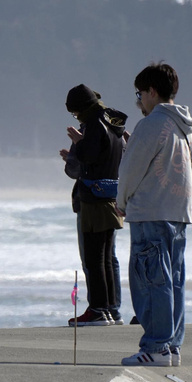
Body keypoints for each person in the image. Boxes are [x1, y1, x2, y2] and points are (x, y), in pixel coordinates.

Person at [116, 63, 192, 367]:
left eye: (140, 94)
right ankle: (171, 345)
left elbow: (131, 169)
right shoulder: (185, 126)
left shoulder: (151, 124)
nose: (140, 101)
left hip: (150, 211)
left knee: (150, 281)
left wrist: (121, 201)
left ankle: (156, 345)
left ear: (151, 91)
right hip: (178, 211)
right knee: (173, 280)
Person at [64, 84, 127, 326]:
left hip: (93, 197)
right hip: (111, 195)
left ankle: (99, 310)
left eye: (75, 112)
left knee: (94, 258)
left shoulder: (92, 123)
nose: (76, 117)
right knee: (107, 257)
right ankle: (110, 308)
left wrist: (79, 143)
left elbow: (88, 156)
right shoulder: (113, 121)